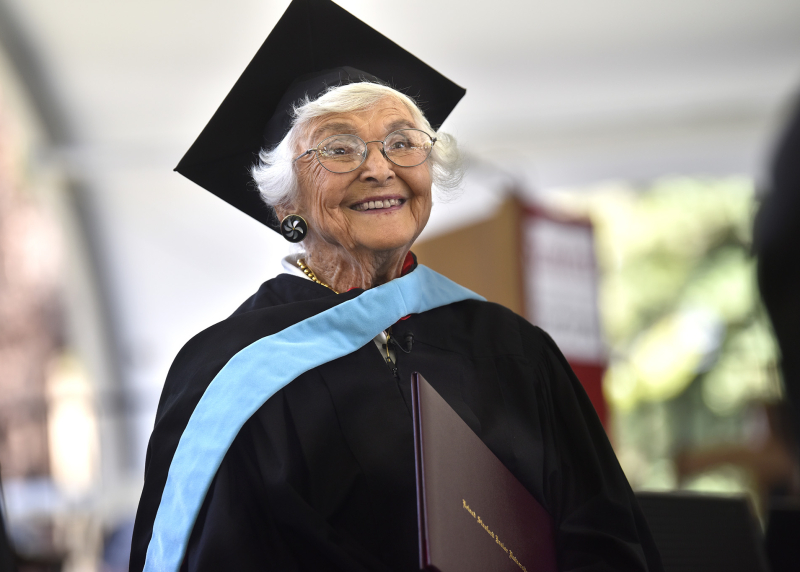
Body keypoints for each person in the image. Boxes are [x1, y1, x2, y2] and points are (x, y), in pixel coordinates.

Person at [130, 1, 662, 571]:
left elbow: (604, 533)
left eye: (403, 142)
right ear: (286, 200)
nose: (380, 168)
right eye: (339, 148)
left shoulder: (512, 349)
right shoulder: (231, 371)